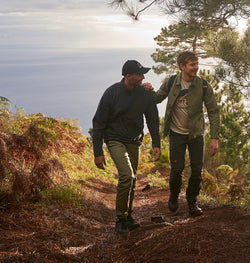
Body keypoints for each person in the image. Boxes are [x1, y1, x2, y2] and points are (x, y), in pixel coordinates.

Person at [92, 60, 161, 234]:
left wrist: (156, 143)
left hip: (134, 140)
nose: (143, 77)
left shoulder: (145, 93)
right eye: (140, 74)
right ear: (128, 76)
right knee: (127, 175)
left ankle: (128, 216)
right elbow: (98, 122)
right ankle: (120, 219)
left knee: (133, 179)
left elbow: (152, 119)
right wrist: (98, 152)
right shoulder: (112, 93)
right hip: (115, 139)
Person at [153, 51, 220, 216]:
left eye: (197, 64)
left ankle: (192, 202)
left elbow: (213, 112)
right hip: (176, 134)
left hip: (196, 134)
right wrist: (146, 89)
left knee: (197, 170)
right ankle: (174, 196)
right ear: (182, 66)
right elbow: (155, 98)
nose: (196, 68)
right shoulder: (171, 82)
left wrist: (214, 138)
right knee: (177, 169)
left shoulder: (203, 85)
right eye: (192, 65)